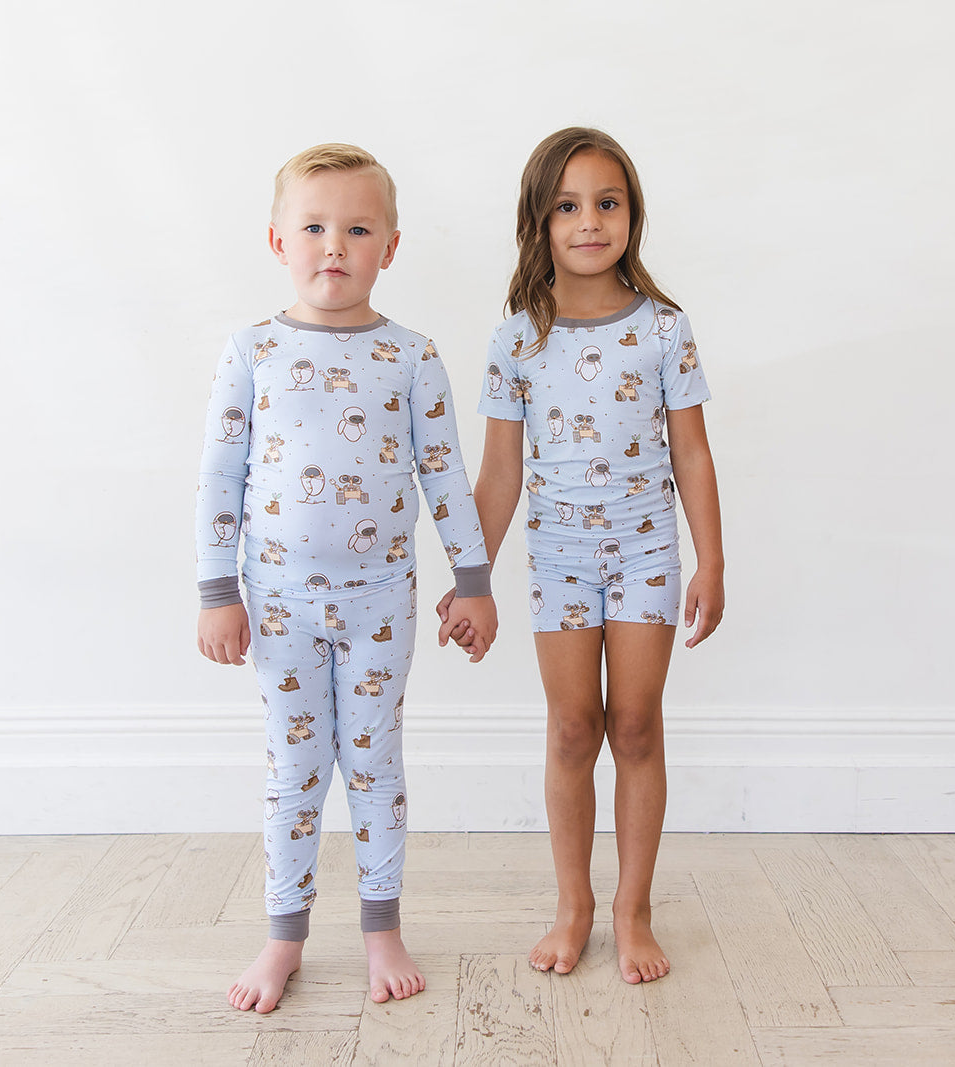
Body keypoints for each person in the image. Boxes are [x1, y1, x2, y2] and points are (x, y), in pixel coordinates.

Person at [195, 143, 498, 1014]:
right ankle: (283, 936)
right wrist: (217, 592)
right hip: (277, 603)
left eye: (358, 229)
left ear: (390, 248)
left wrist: (474, 580)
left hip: (380, 603)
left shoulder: (411, 355)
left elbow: (445, 474)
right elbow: (220, 476)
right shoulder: (252, 350)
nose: (335, 245)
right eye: (315, 227)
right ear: (277, 241)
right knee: (295, 766)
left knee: (374, 761)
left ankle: (381, 929)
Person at [446, 127, 724, 984]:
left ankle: (634, 910)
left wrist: (710, 561)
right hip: (560, 557)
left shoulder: (665, 329)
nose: (590, 222)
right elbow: (499, 474)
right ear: (540, 221)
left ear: (633, 214)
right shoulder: (517, 341)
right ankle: (574, 905)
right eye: (568, 206)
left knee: (635, 723)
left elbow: (692, 454)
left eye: (608, 203)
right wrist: (470, 577)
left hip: (647, 552)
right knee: (573, 728)